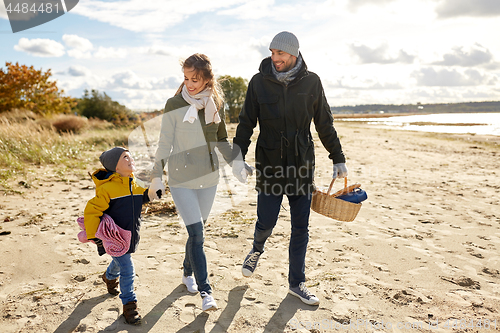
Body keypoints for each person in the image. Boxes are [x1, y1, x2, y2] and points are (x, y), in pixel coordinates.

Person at [232, 31, 348, 306]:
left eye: (280, 54)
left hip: (301, 166)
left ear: (293, 54)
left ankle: (297, 283)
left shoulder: (312, 82)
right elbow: (246, 122)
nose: (275, 58)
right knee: (266, 221)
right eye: (272, 53)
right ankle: (256, 249)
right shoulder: (259, 83)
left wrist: (338, 158)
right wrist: (237, 157)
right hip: (270, 165)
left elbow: (324, 123)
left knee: (300, 228)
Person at [148, 53, 233, 312]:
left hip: (209, 178)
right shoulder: (174, 104)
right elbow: (165, 143)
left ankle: (187, 274)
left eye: (195, 79)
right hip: (182, 178)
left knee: (196, 234)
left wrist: (239, 163)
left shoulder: (215, 103)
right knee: (197, 235)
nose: (190, 83)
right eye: (186, 78)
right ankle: (206, 291)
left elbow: (221, 140)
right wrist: (155, 175)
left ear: (207, 78)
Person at [84, 147, 154, 325]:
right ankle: (129, 305)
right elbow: (92, 211)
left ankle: (108, 277)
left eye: (131, 156)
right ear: (115, 166)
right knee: (127, 268)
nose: (131, 159)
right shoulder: (107, 188)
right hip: (113, 237)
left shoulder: (135, 184)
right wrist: (93, 235)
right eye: (125, 157)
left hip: (129, 235)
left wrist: (156, 190)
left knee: (119, 262)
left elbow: (143, 198)